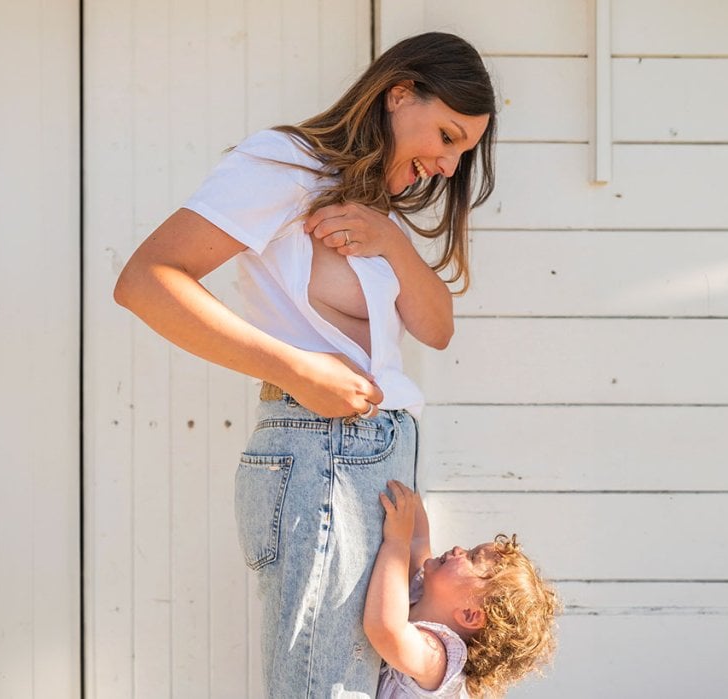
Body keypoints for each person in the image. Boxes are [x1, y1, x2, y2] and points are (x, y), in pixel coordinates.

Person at [113, 32, 497, 696]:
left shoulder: (367, 200)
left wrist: (392, 244)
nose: (448, 163)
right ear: (399, 92)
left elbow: (436, 326)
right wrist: (295, 369)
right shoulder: (284, 164)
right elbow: (147, 279)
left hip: (368, 463)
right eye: (447, 135)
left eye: (462, 150)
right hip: (321, 458)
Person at [366, 481, 559, 697]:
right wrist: (409, 492)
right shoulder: (425, 590)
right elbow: (418, 539)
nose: (459, 549)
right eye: (470, 549)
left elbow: (385, 629)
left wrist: (396, 542)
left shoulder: (437, 657)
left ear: (469, 614)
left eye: (471, 557)